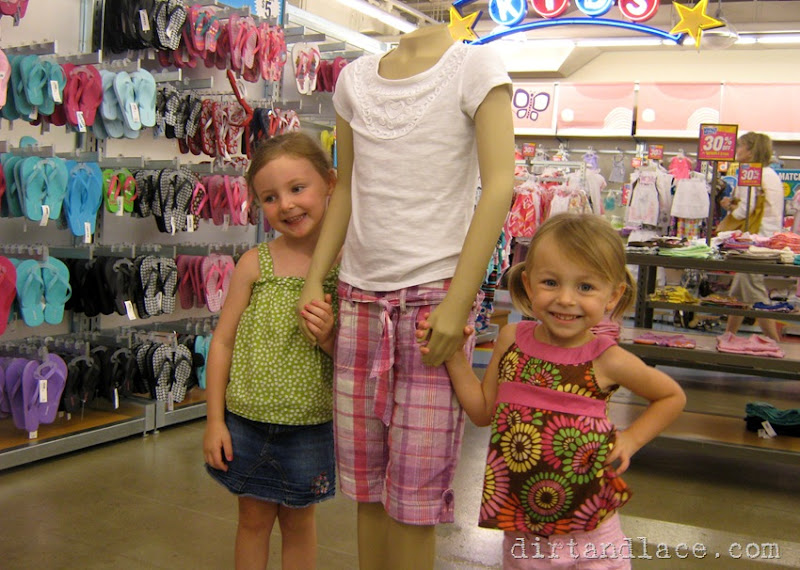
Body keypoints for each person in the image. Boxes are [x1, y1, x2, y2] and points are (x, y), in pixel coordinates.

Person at [297, 22, 515, 570]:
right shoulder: (353, 79)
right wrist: (315, 278)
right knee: (366, 488)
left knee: (416, 497)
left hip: (433, 304)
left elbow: (500, 185)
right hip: (359, 301)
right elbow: (346, 187)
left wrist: (458, 304)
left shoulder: (475, 67)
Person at [421, 213, 686, 569]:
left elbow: (671, 396)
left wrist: (631, 439)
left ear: (613, 295)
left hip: (591, 534)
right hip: (521, 530)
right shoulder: (512, 340)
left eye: (585, 287)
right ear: (528, 285)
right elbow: (483, 412)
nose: (565, 299)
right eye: (550, 282)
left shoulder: (607, 358)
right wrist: (454, 355)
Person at [203, 132, 340, 570]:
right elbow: (222, 342)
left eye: (298, 188)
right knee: (252, 521)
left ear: (330, 183)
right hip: (246, 421)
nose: (287, 205)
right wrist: (214, 421)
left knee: (300, 524)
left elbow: (354, 356)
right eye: (270, 197)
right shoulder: (253, 264)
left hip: (311, 425)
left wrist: (329, 337)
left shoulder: (347, 268)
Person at [719, 132, 785, 341]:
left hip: (752, 241)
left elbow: (744, 211)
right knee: (740, 291)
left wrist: (729, 207)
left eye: (741, 146)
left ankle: (774, 342)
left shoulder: (750, 174)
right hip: (767, 238)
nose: (737, 150)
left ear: (750, 150)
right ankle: (729, 336)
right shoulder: (771, 175)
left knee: (755, 291)